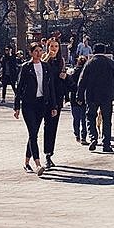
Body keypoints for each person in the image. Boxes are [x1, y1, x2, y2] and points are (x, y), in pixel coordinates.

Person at [14, 42, 57, 176]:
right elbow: (19, 87)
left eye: (40, 50)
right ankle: (38, 164)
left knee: (34, 133)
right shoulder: (26, 67)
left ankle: (26, 162)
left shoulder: (45, 66)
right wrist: (16, 106)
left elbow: (51, 87)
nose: (38, 53)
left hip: (41, 103)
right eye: (36, 51)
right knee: (33, 134)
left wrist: (53, 105)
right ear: (31, 53)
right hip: (29, 104)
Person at [77, 42, 114, 152]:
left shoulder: (89, 63)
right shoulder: (110, 62)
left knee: (90, 117)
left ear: (94, 51)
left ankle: (93, 138)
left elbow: (82, 81)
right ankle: (106, 144)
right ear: (104, 51)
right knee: (107, 119)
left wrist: (79, 96)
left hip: (92, 94)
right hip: (107, 95)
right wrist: (111, 83)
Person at [42, 37, 67, 169]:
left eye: (56, 46)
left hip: (56, 97)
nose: (54, 49)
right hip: (43, 97)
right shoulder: (44, 59)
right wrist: (47, 57)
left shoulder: (61, 61)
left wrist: (65, 76)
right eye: (51, 46)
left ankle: (48, 154)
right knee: (40, 127)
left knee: (52, 127)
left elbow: (63, 79)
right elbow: (40, 68)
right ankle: (32, 156)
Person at [68, 56, 88, 144]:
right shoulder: (87, 73)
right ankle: (84, 137)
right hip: (84, 97)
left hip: (74, 97)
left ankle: (77, 134)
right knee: (84, 119)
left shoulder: (73, 73)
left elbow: (69, 86)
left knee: (76, 118)